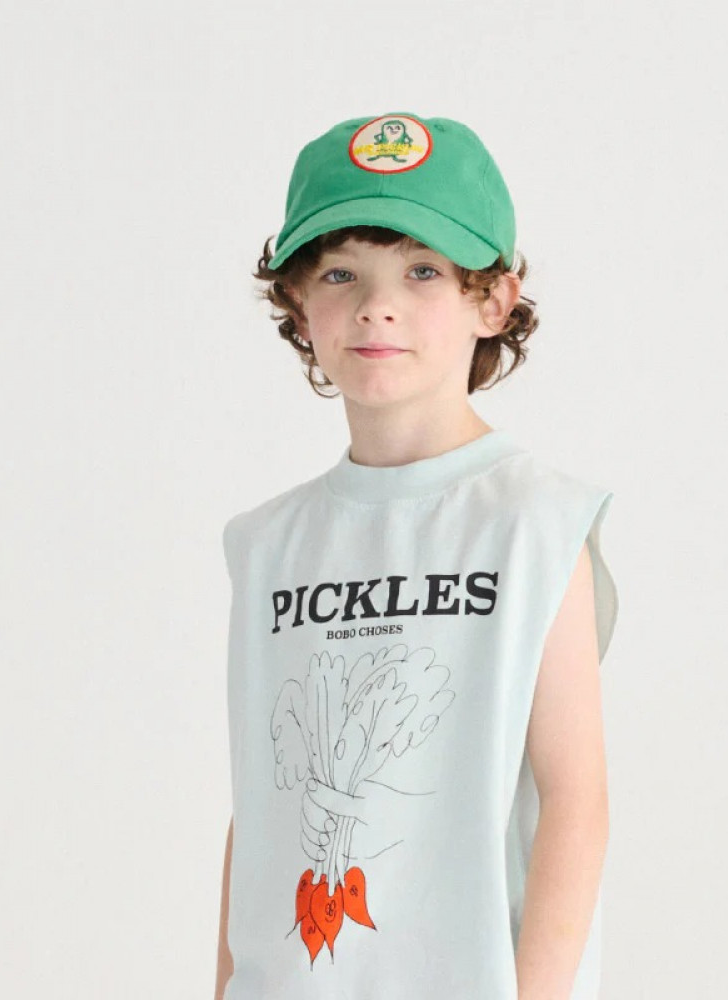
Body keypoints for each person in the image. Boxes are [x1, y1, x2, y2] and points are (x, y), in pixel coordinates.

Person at [214, 111, 618, 1000]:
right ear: (298, 304)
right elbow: (258, 815)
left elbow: (575, 803)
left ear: (494, 299)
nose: (376, 305)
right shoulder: (266, 545)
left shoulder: (535, 523)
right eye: (340, 272)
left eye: (423, 270)